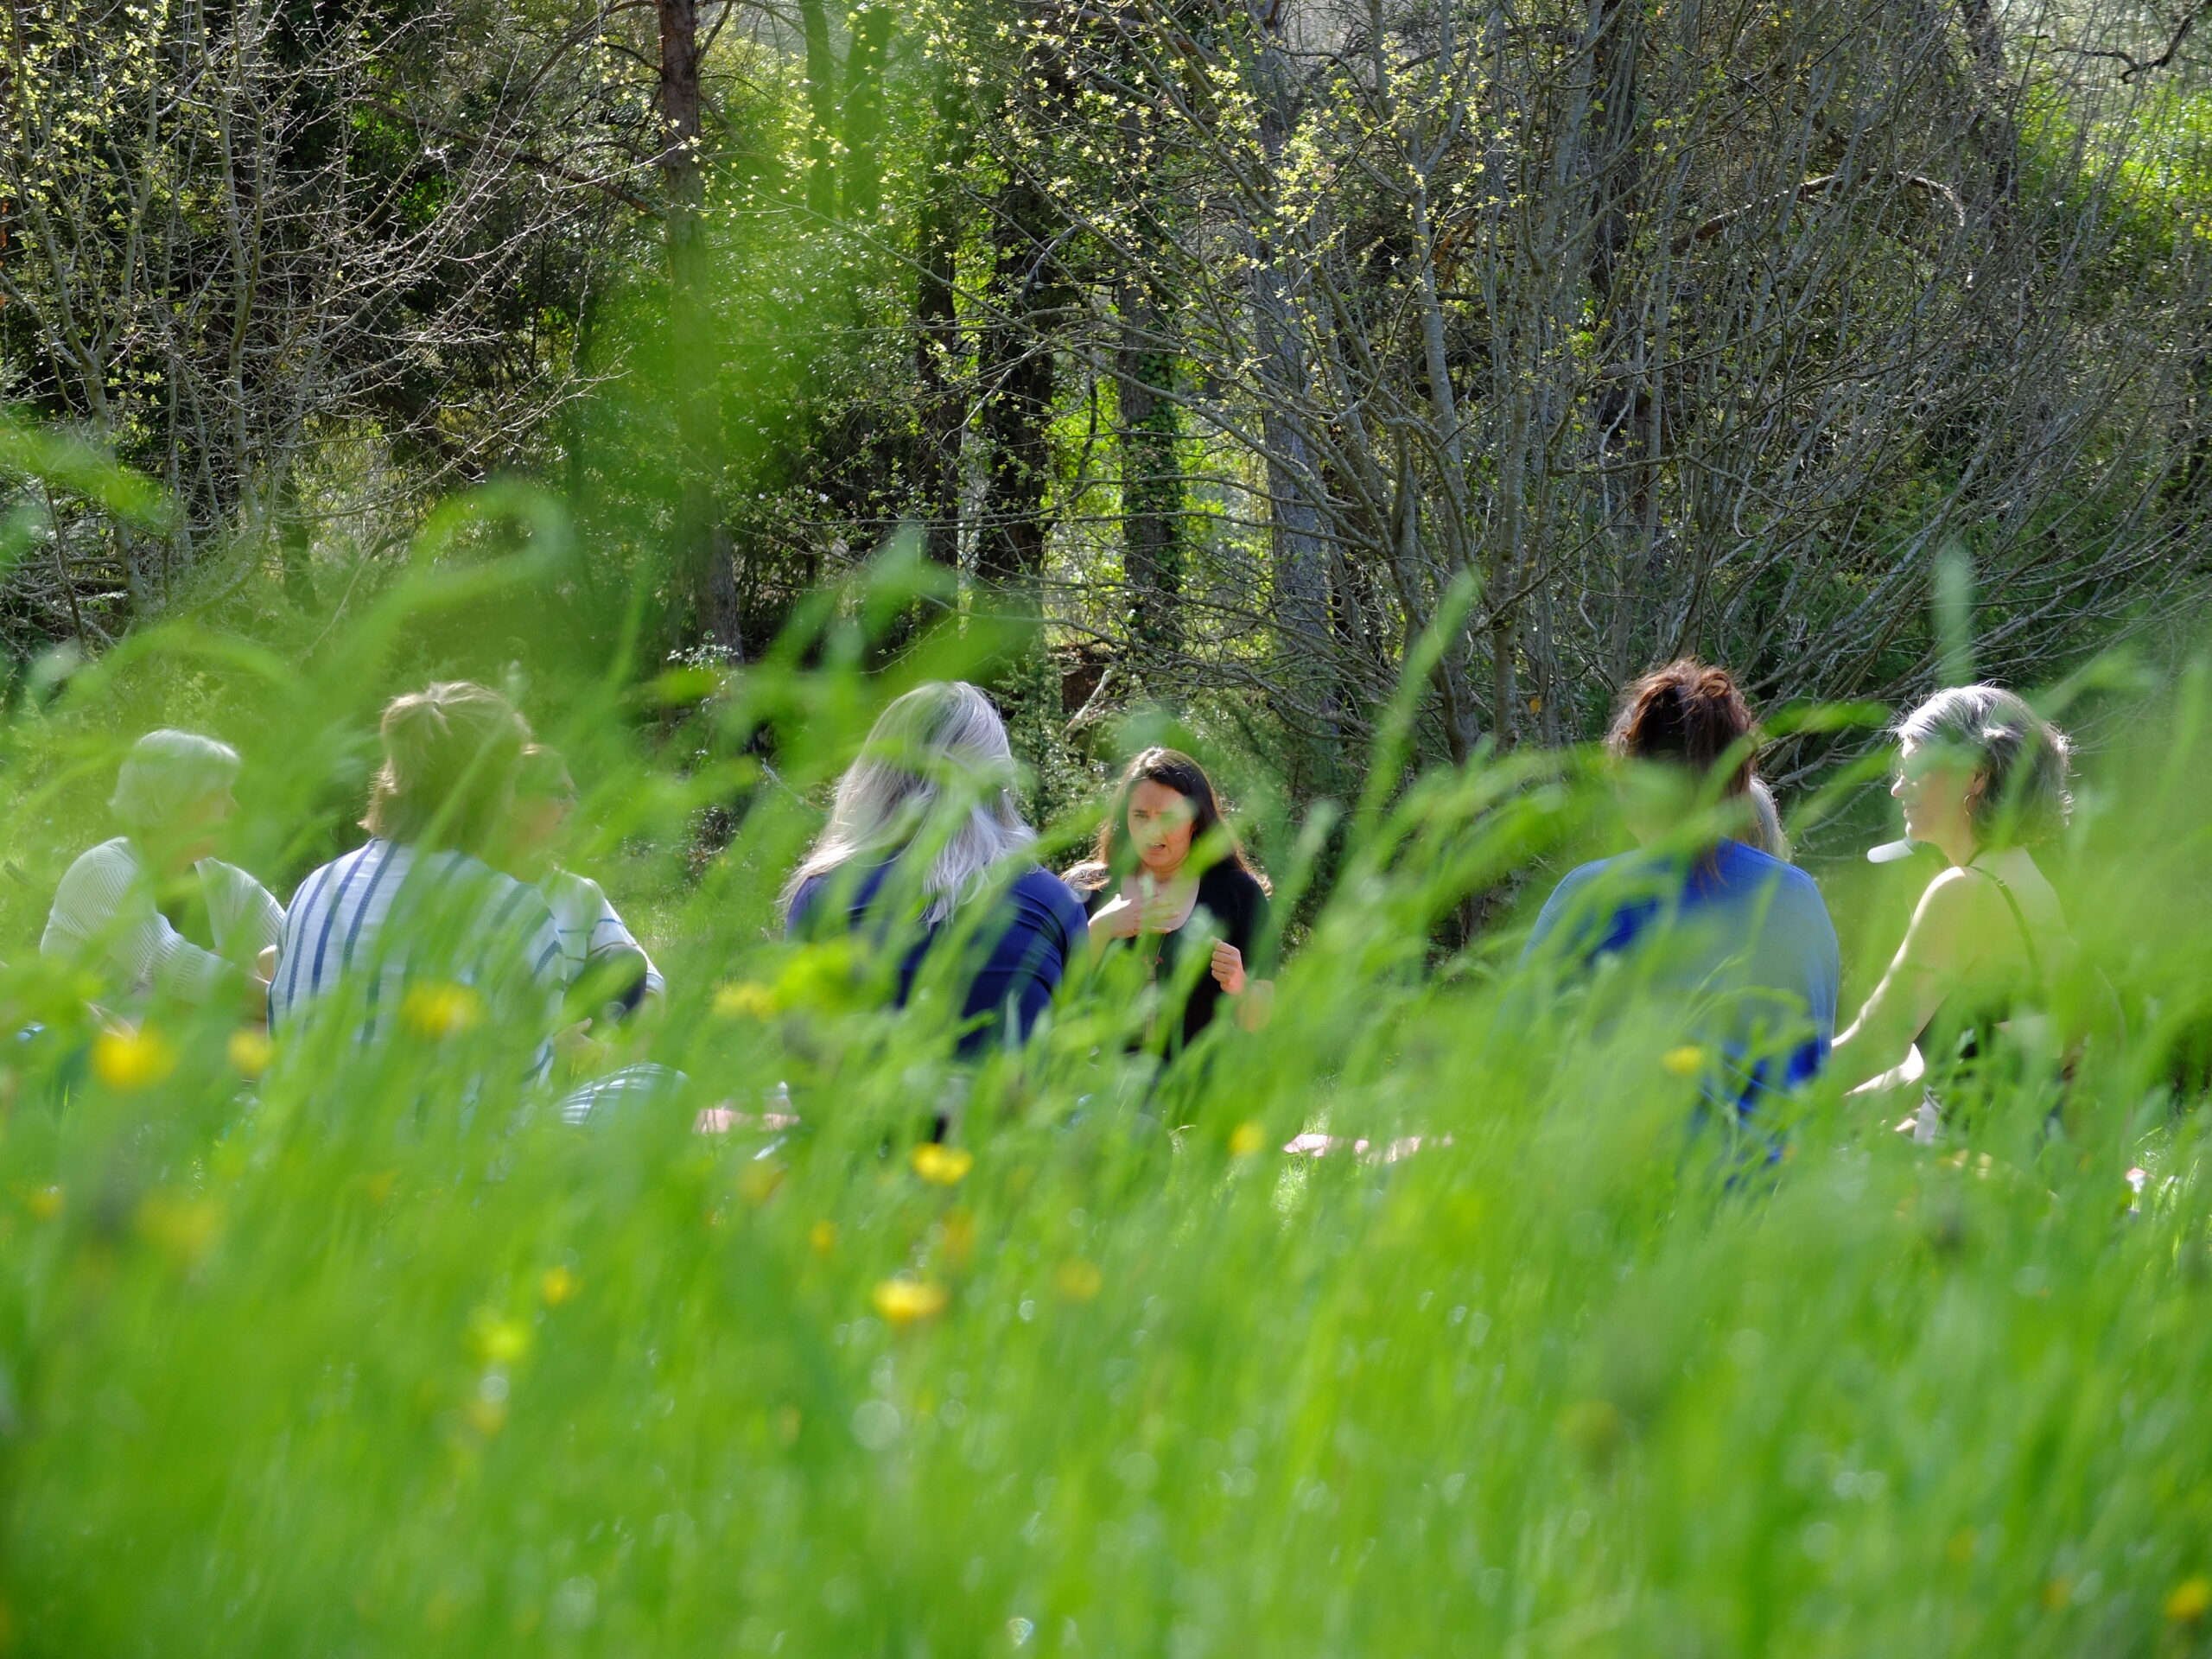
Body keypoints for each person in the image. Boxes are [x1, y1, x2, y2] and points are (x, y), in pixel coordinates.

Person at [1524, 659, 1840, 1116]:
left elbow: (1514, 1061)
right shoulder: (1796, 897)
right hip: (1761, 1160)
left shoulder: (1590, 897)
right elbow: (1810, 1069)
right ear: (1738, 786)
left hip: (1612, 1156)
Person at [270, 682, 564, 1072]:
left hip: (298, 1113)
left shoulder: (318, 885)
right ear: (495, 790)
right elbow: (523, 1084)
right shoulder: (510, 907)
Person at [782, 681, 1087, 1056]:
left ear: (876, 777)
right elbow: (1071, 1056)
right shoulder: (1057, 904)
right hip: (1006, 1096)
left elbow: (800, 1054)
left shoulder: (825, 894)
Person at [1829, 686, 2072, 1124]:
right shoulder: (2032, 884)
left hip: (1966, 1156)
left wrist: (1752, 1090)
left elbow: (1877, 1040)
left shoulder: (1963, 891)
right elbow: (1972, 1056)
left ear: (1976, 776)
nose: (1897, 789)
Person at [42, 729, 283, 1014]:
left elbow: (298, 945)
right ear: (172, 803)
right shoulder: (100, 871)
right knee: (227, 968)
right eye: (219, 796)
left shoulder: (227, 882)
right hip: (87, 1036)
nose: (234, 809)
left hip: (165, 1036)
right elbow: (171, 965)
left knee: (263, 961)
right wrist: (283, 1006)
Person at [1063, 747, 1274, 1048]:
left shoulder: (1238, 893)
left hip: (1194, 1078)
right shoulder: (1084, 889)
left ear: (1195, 821)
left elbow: (1259, 1020)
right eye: (1140, 816)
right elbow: (1051, 999)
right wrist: (1098, 932)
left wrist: (1239, 984)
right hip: (1096, 1076)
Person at [505, 745, 664, 1017]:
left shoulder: (580, 894)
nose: (572, 805)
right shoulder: (475, 890)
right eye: (559, 794)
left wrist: (632, 1041)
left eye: (573, 795)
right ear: (513, 801)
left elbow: (648, 979)